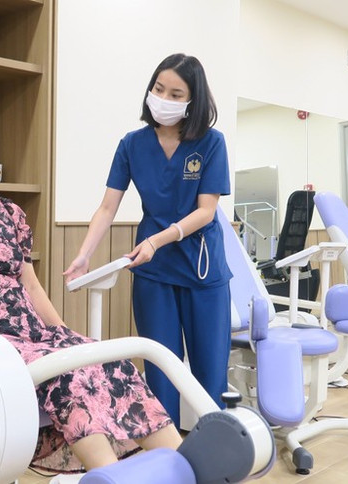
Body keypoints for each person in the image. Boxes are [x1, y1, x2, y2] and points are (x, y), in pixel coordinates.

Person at [0, 106, 182, 474]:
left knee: (110, 359)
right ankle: (112, 477)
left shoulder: (8, 213)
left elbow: (30, 285)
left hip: (31, 336)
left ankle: (185, 467)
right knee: (68, 374)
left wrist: (63, 335)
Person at [63, 53, 233, 427]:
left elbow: (206, 211)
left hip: (201, 268)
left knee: (210, 374)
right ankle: (166, 450)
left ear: (192, 101)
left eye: (175, 94)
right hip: (154, 272)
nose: (163, 99)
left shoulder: (211, 143)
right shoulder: (132, 144)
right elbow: (107, 207)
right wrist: (84, 254)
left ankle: (216, 447)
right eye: (158, 89)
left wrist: (158, 239)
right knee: (159, 370)